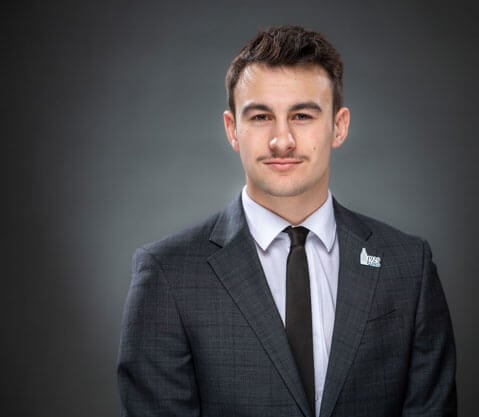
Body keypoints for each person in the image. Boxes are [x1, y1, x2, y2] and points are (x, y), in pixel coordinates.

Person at [117, 25, 457, 417]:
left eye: (302, 115)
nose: (282, 140)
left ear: (338, 126)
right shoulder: (168, 275)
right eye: (261, 117)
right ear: (233, 130)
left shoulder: (408, 267)